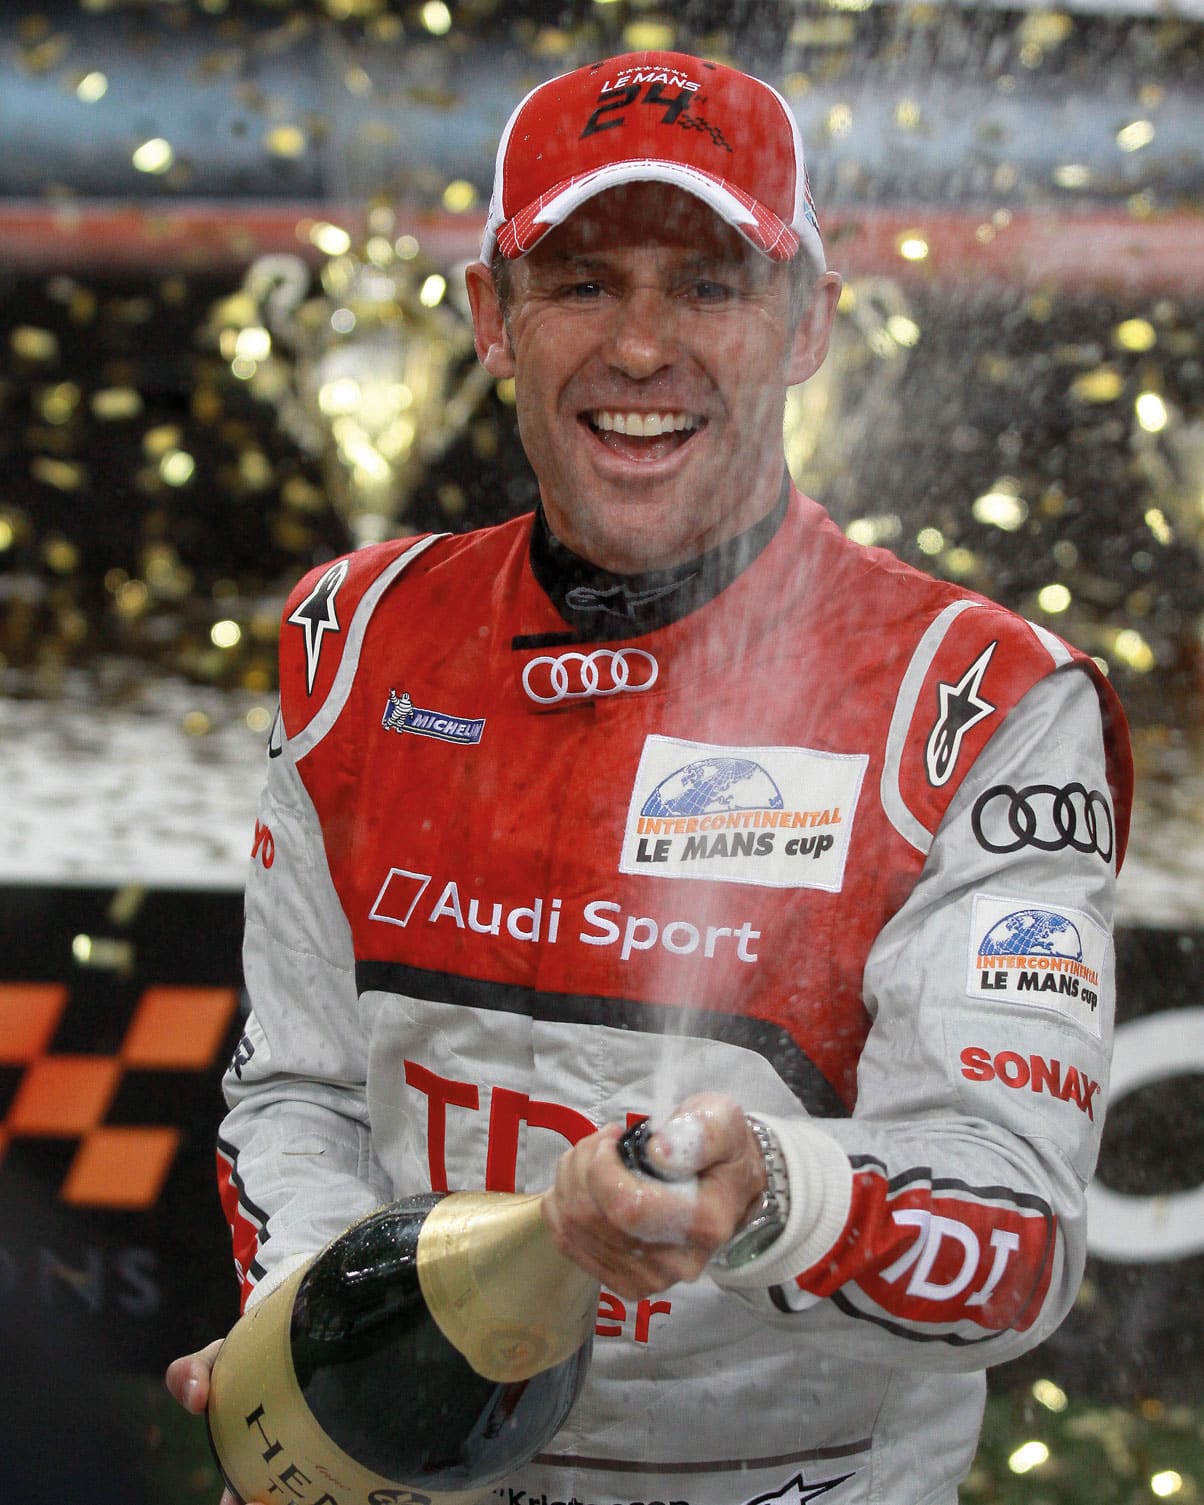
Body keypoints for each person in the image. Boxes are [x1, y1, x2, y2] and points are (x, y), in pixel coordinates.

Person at [167, 48, 1133, 1505]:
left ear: (808, 319)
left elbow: (1020, 1243)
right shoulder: (356, 638)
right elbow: (296, 1091)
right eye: (581, 281)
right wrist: (325, 1327)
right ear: (492, 317)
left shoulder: (982, 697)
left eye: (708, 282)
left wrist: (773, 1195)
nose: (639, 345)